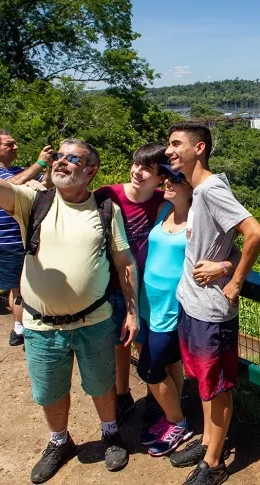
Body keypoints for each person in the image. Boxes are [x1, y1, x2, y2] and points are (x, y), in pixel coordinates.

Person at [0, 92, 138, 484]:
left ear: (92, 170)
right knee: (49, 391)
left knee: (101, 385)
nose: (60, 161)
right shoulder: (33, 201)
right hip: (42, 324)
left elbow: (124, 262)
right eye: (59, 156)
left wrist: (132, 311)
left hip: (95, 320)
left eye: (72, 158)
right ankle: (59, 441)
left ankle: (111, 433)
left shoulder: (105, 209)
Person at [165, 122, 260, 485]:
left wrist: (234, 281)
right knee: (204, 383)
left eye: (176, 144)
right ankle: (209, 441)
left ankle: (214, 463)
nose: (169, 150)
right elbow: (230, 244)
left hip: (211, 311)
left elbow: (255, 232)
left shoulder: (211, 189)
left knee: (218, 387)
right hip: (192, 304)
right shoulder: (197, 191)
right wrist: (225, 264)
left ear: (199, 148)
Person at [136, 164, 237, 458]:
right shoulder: (163, 210)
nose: (168, 182)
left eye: (176, 179)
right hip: (148, 304)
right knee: (169, 365)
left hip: (174, 308)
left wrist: (224, 267)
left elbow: (233, 250)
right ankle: (175, 416)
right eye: (167, 177)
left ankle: (177, 422)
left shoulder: (199, 218)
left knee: (149, 369)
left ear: (191, 188)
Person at [94, 143, 166, 424]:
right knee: (119, 342)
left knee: (145, 344)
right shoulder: (107, 195)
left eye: (147, 169)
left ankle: (155, 397)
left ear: (161, 177)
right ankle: (123, 395)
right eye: (136, 164)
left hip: (146, 289)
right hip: (112, 284)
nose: (137, 172)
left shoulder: (164, 201)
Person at [0, 129, 54, 345]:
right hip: (4, 240)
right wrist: (39, 163)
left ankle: (21, 329)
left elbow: (45, 184)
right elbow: (9, 184)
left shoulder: (19, 170)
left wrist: (49, 168)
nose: (15, 147)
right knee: (19, 289)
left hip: (26, 238)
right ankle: (23, 332)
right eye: (9, 144)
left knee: (30, 286)